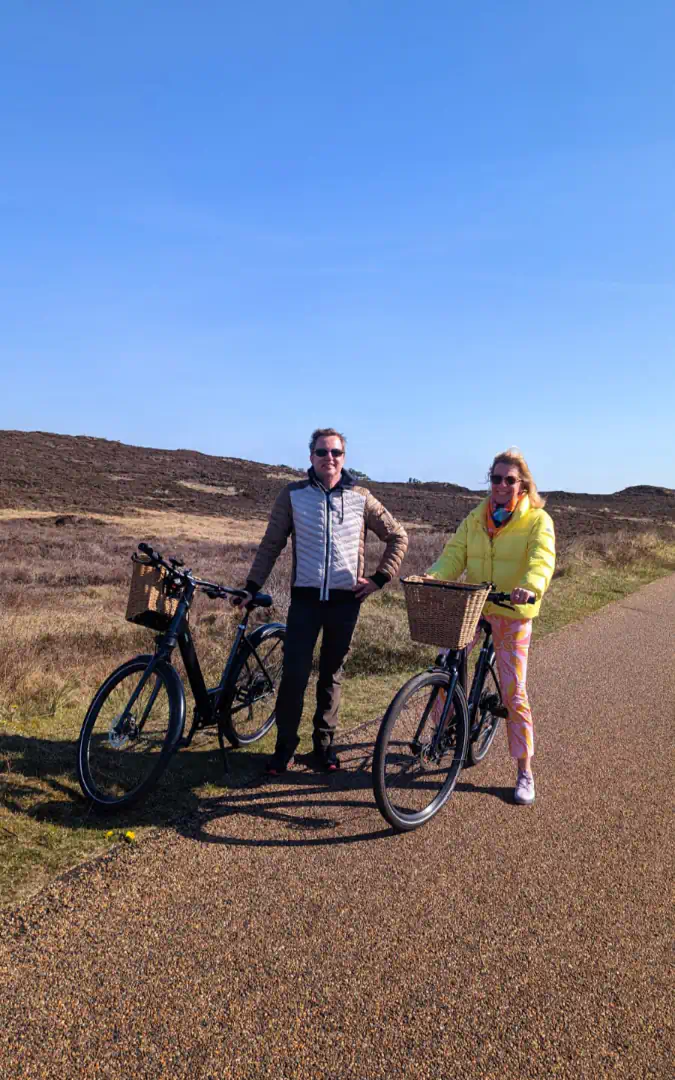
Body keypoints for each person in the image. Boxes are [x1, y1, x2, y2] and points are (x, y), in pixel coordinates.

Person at [233, 428, 408, 775]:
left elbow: (398, 536)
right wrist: (252, 585)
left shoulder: (361, 497)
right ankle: (284, 748)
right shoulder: (293, 495)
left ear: (345, 457)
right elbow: (271, 544)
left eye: (336, 453)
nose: (330, 458)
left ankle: (324, 747)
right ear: (310, 456)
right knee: (294, 676)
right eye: (322, 452)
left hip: (346, 601)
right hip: (306, 602)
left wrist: (378, 579)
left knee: (331, 674)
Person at [425, 448, 555, 805]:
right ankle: (444, 730)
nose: (501, 485)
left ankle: (524, 770)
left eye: (509, 480)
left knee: (514, 693)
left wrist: (530, 586)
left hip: (513, 611)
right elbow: (455, 554)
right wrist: (434, 577)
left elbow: (542, 559)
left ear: (523, 484)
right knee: (444, 664)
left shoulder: (538, 520)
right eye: (495, 478)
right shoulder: (477, 516)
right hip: (476, 605)